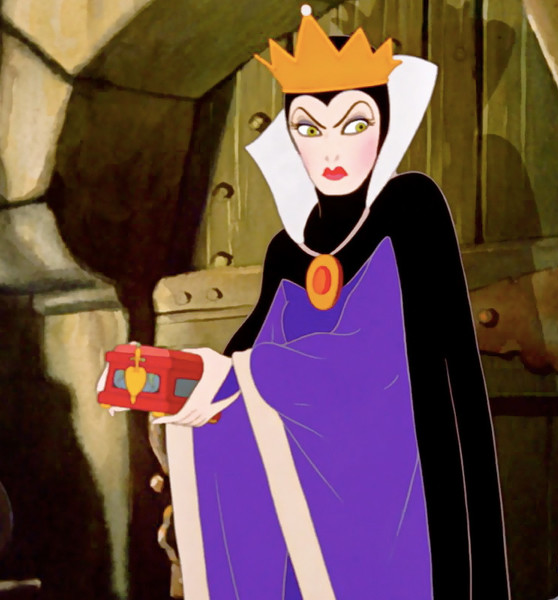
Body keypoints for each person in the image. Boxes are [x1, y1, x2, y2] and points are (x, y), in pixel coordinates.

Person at [159, 5, 511, 598]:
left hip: (402, 485)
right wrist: (194, 382)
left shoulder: (410, 210)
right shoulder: (287, 248)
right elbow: (244, 355)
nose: (330, 149)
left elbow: (380, 360)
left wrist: (249, 372)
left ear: (385, 125)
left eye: (354, 124)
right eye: (309, 128)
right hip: (307, 494)